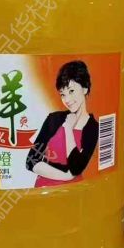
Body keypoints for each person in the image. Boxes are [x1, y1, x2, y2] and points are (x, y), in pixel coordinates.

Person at [26, 60, 99, 188]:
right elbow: (31, 160)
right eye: (63, 94)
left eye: (71, 91)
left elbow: (76, 168)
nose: (67, 99)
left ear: (85, 88)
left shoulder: (92, 127)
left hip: (74, 192)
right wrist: (65, 176)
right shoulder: (54, 119)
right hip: (43, 189)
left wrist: (68, 129)